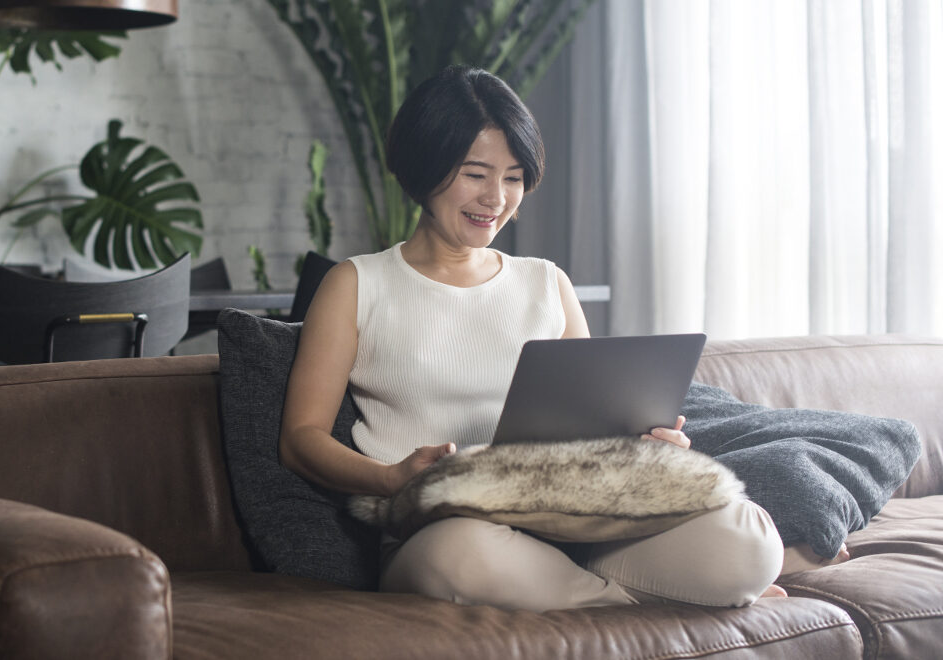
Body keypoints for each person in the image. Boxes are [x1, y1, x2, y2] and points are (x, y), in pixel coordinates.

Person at [279, 65, 792, 611]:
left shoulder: (546, 283)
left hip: (570, 521)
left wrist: (643, 446)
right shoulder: (357, 283)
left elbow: (593, 421)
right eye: (475, 173)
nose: (496, 198)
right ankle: (657, 602)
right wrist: (392, 479)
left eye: (514, 177)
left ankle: (588, 599)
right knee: (460, 559)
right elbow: (301, 437)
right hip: (445, 529)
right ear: (425, 168)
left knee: (747, 542)